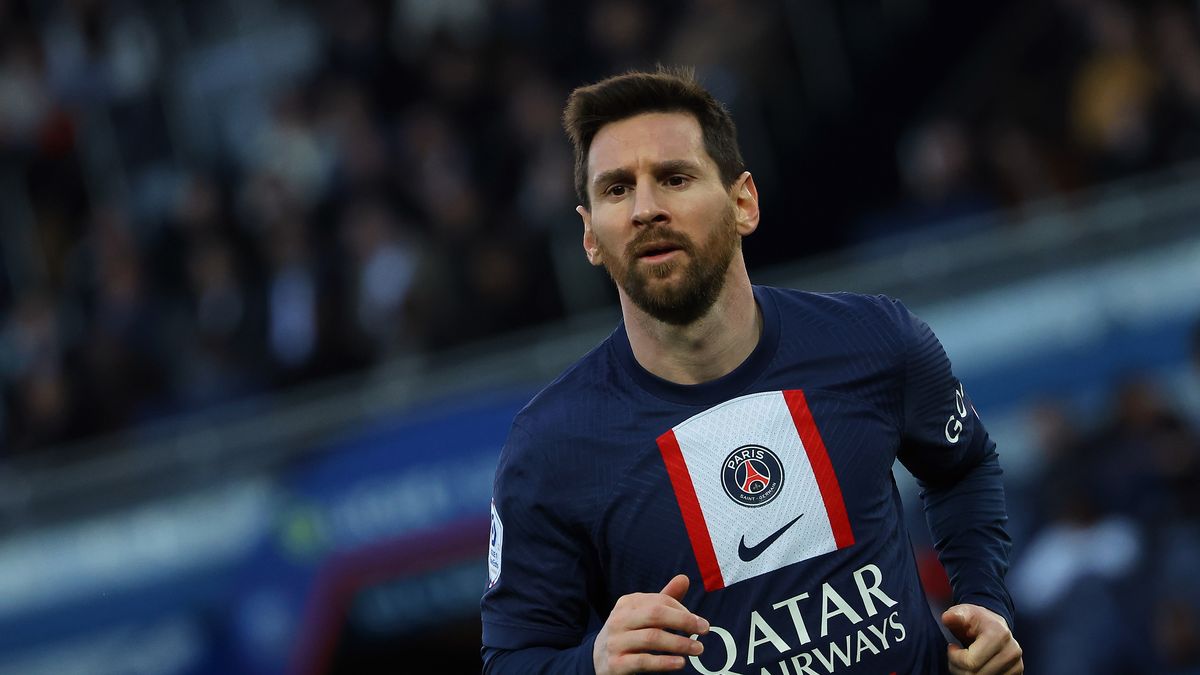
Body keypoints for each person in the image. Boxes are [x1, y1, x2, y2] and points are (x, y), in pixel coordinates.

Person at [480, 67, 1024, 675]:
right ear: (588, 235)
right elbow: (513, 659)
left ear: (743, 203)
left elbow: (965, 465)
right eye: (616, 190)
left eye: (674, 178)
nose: (645, 209)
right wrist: (595, 664)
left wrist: (983, 602)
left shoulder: (874, 341)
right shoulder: (552, 446)